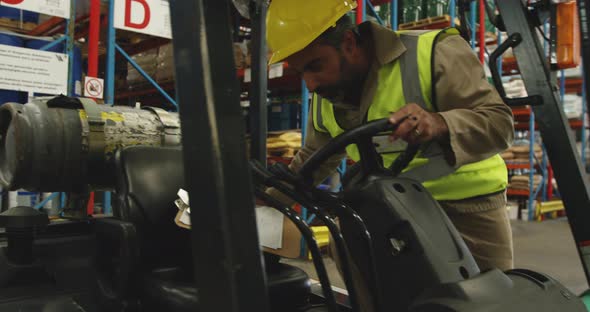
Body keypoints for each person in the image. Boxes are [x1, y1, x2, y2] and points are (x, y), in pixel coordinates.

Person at [265, 0, 514, 309]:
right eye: (301, 71)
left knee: (489, 303)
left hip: (467, 209)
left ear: (349, 42)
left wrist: (439, 123)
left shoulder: (434, 53)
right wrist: (265, 199)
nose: (311, 84)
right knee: (345, 242)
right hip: (389, 212)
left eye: (315, 66)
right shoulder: (329, 93)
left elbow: (499, 124)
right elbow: (316, 156)